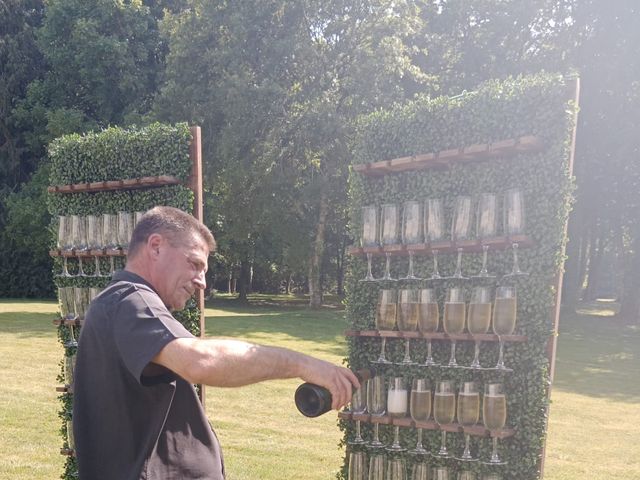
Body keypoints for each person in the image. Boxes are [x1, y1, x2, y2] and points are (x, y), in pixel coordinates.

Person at [72, 206, 359, 480]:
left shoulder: (119, 304)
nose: (202, 282)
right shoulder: (130, 301)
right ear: (156, 246)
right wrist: (303, 364)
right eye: (195, 264)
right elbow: (200, 361)